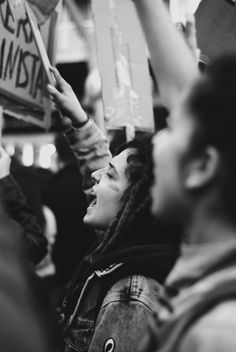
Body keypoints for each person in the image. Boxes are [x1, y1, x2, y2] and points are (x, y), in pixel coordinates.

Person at [47, 67, 180, 352]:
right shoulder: (127, 252)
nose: (94, 177)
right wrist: (80, 121)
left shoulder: (130, 294)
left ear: (134, 206)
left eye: (109, 175)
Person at [132, 1, 236, 351]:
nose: (157, 142)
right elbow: (185, 101)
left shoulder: (220, 331)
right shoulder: (205, 275)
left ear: (203, 167)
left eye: (172, 130)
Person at [45, 133, 96, 291]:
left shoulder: (53, 188)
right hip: (89, 264)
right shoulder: (92, 185)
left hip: (60, 265)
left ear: (59, 153)